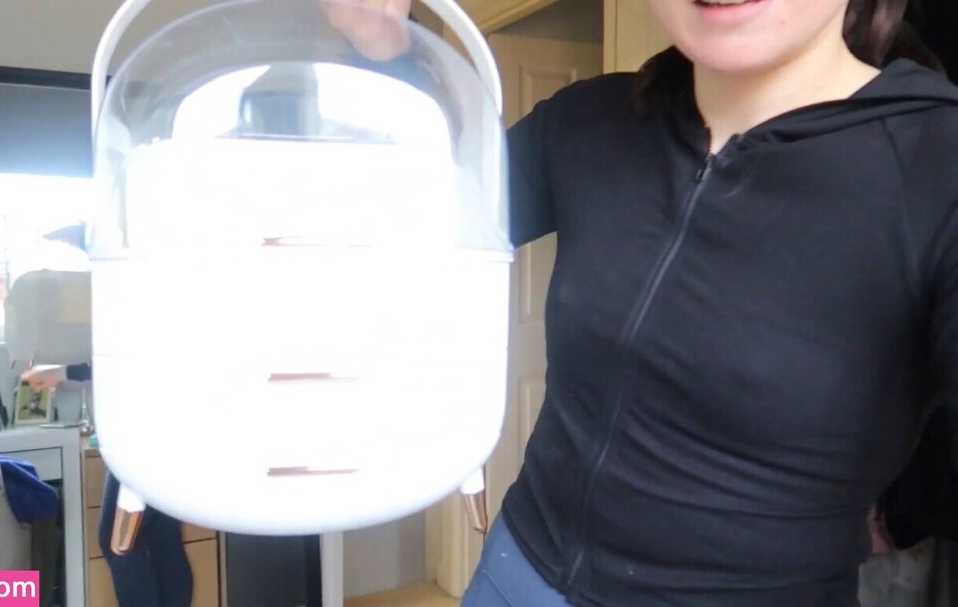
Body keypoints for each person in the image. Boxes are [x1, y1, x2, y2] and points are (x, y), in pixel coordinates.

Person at [326, 0, 958, 605]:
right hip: (515, 577)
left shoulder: (938, 164)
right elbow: (404, 229)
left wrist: (907, 514)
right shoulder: (589, 120)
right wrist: (385, 54)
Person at [22, 364, 194, 607]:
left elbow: (126, 362)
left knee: (121, 541)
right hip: (173, 425)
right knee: (162, 536)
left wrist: (61, 373)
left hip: (147, 433)